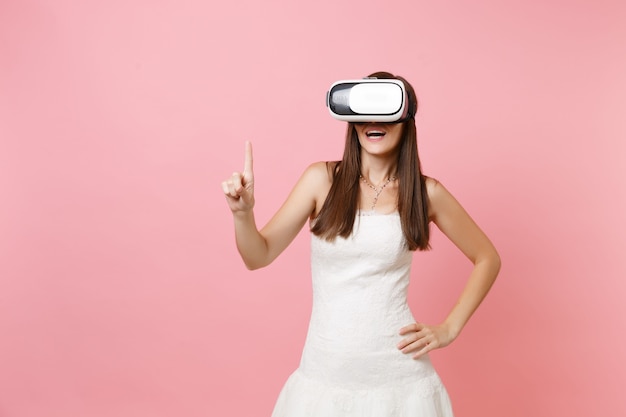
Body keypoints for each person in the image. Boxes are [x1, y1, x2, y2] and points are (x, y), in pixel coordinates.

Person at [221, 71, 501, 417]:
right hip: (324, 377)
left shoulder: (426, 193)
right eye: (364, 111)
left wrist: (449, 328)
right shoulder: (320, 180)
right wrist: (242, 213)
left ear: (405, 117)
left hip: (400, 382)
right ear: (350, 119)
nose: (373, 120)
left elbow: (487, 257)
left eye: (384, 110)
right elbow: (257, 256)